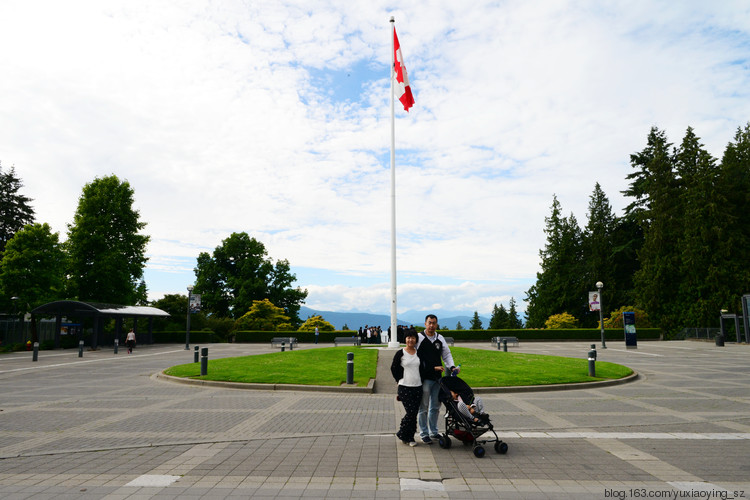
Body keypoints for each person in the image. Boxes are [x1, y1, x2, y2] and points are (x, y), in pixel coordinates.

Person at [416, 314, 457, 444]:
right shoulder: (419, 338)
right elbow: (415, 357)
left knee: (435, 406)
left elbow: (446, 355)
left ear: (437, 324)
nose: (431, 325)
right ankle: (424, 433)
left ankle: (434, 431)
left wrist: (452, 366)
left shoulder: (440, 338)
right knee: (423, 407)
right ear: (425, 324)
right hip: (424, 378)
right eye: (429, 323)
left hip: (438, 379)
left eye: (434, 323)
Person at [390, 329, 421, 446]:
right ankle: (403, 433)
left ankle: (409, 436)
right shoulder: (400, 353)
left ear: (416, 340)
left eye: (413, 337)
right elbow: (393, 368)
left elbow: (423, 368)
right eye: (408, 337)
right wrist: (398, 379)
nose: (410, 340)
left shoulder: (419, 353)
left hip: (418, 386)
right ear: (405, 339)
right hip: (405, 387)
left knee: (413, 413)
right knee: (411, 412)